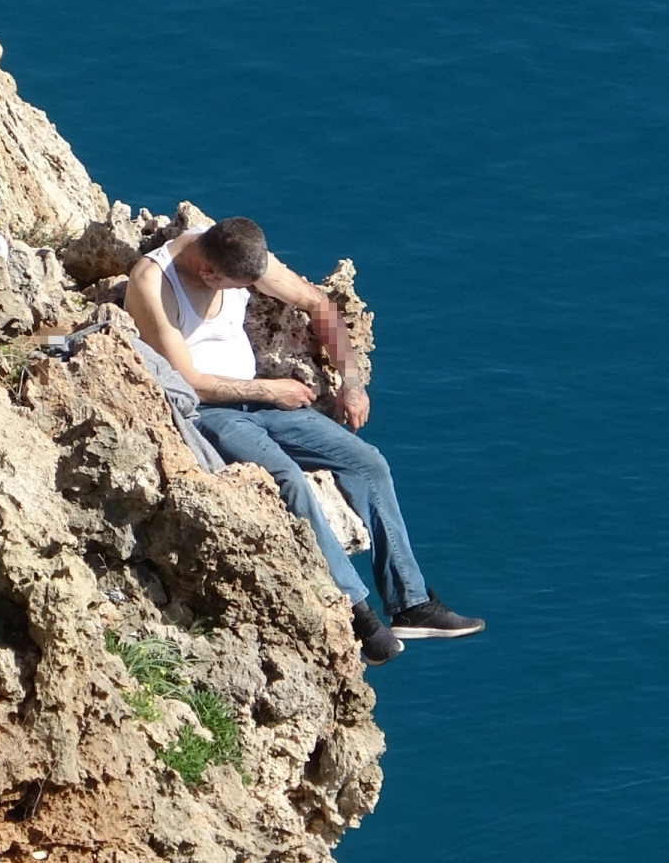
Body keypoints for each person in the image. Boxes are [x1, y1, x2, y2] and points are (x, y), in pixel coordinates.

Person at [125, 217, 483, 664]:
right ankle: (357, 615)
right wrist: (271, 390)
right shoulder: (154, 283)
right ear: (209, 274)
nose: (247, 291)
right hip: (209, 412)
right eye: (238, 286)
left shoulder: (234, 247)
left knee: (368, 462)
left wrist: (351, 382)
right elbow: (190, 381)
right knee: (286, 479)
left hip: (265, 403)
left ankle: (411, 604)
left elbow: (318, 303)